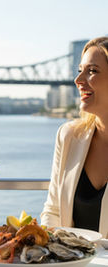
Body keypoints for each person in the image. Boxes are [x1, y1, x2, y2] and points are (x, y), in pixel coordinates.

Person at [41, 37, 108, 238]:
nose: (78, 81)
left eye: (92, 71)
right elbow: (52, 211)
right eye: (80, 70)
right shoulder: (69, 135)